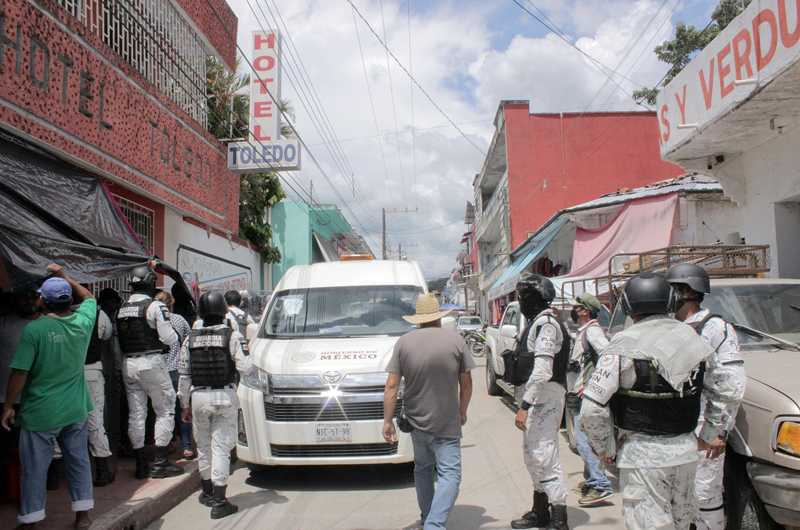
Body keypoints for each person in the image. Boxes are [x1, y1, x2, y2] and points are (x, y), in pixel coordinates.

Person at [579, 272, 742, 530]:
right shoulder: (693, 341)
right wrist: (707, 435)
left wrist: (604, 449)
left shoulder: (620, 348)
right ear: (669, 301)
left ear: (628, 306)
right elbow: (728, 391)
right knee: (682, 524)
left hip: (641, 459)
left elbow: (590, 410)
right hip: (686, 454)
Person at [1, 264, 96, 529]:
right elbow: (89, 298)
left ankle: (31, 519)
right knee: (78, 463)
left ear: (42, 300)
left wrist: (8, 406)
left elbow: (19, 373)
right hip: (76, 409)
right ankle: (83, 516)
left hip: (41, 411)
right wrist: (65, 276)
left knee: (34, 468)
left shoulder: (35, 330)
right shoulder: (84, 321)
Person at [382, 293, 475, 530]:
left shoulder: (403, 342)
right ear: (439, 317)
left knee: (423, 470)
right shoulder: (456, 342)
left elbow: (392, 385)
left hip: (415, 422)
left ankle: (427, 519)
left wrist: (387, 421)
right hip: (446, 422)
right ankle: (434, 524)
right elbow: (466, 384)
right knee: (450, 475)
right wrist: (462, 411)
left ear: (418, 318)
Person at [666, 264, 746, 530]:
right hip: (674, 429)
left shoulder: (715, 328)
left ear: (688, 291)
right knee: (678, 497)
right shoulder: (668, 328)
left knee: (704, 497)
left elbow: (733, 384)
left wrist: (719, 431)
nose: (668, 295)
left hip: (703, 428)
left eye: (672, 289)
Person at [178, 291, 252, 519]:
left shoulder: (190, 338)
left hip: (198, 397)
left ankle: (207, 491)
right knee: (221, 447)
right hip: (224, 396)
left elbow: (184, 374)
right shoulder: (232, 336)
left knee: (203, 444)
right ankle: (220, 501)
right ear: (223, 312)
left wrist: (184, 404)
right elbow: (246, 368)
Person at [511, 274, 571, 530]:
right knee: (533, 456)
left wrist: (525, 406)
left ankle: (559, 519)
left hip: (544, 399)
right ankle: (540, 511)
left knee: (545, 456)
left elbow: (543, 370)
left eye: (524, 296)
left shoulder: (546, 325)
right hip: (538, 399)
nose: (521, 301)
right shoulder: (537, 322)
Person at [116, 265, 183, 479]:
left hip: (128, 364)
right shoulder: (154, 307)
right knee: (165, 409)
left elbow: (118, 344)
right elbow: (168, 338)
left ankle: (141, 465)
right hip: (151, 362)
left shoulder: (122, 308)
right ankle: (161, 462)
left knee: (136, 414)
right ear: (150, 283)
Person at [565, 292, 613, 506]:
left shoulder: (592, 331)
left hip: (586, 396)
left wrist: (592, 385)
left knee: (585, 443)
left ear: (584, 310)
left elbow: (608, 356)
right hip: (578, 394)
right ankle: (591, 479)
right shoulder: (583, 331)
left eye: (575, 308)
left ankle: (601, 485)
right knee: (585, 441)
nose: (572, 311)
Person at [0, 285, 41, 493]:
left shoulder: (47, 325)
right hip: (5, 399)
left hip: (36, 400)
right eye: (25, 296)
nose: (30, 300)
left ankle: (31, 495)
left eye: (34, 296)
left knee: (34, 453)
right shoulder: (5, 323)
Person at [154, 291, 194, 460]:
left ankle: (168, 443)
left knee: (162, 411)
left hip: (158, 371)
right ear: (172, 304)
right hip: (177, 370)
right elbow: (188, 342)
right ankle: (186, 447)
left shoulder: (152, 319)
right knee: (182, 409)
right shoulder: (179, 319)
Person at [82, 296, 115, 487]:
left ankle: (53, 477)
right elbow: (107, 335)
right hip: (92, 371)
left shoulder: (54, 316)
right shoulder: (97, 314)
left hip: (65, 373)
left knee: (60, 423)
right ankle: (102, 472)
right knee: (95, 421)